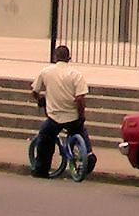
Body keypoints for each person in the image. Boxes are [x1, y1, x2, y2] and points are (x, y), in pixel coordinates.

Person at [29, 45, 95, 178]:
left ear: (55, 57)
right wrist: (81, 116)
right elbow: (80, 99)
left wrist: (41, 100)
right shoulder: (76, 75)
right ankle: (88, 155)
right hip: (72, 117)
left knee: (45, 138)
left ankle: (41, 170)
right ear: (69, 58)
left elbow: (35, 91)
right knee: (81, 132)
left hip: (54, 117)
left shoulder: (46, 72)